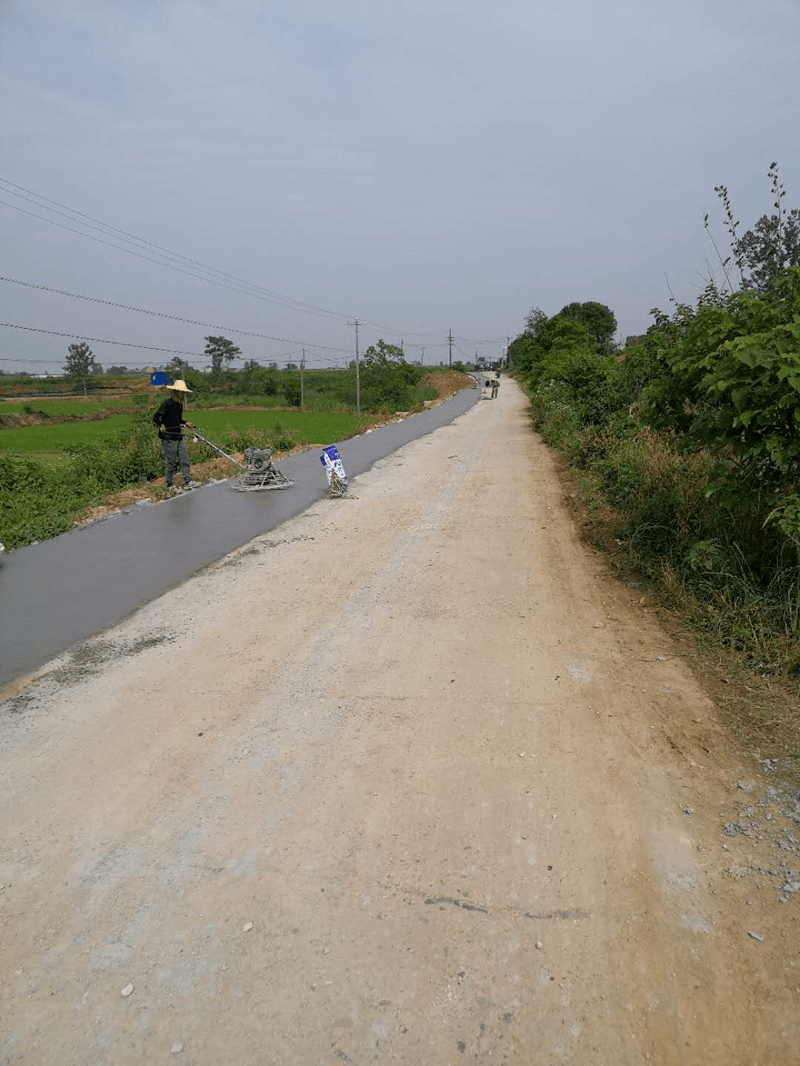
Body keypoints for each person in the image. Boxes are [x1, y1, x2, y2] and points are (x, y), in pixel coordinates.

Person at [153, 379, 198, 493]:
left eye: (185, 392)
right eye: (183, 392)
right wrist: (161, 425)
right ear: (176, 392)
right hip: (169, 437)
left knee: (185, 459)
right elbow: (156, 417)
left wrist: (185, 423)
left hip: (178, 436)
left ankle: (187, 481)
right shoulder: (167, 404)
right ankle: (170, 485)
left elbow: (177, 421)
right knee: (170, 461)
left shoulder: (179, 406)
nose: (184, 394)